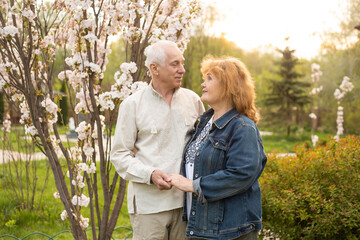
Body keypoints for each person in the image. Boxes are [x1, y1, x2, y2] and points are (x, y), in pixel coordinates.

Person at [110, 40, 205, 240]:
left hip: (187, 205)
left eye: (182, 63)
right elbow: (119, 155)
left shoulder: (194, 101)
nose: (182, 70)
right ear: (154, 68)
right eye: (175, 64)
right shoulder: (132, 104)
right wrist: (150, 174)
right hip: (149, 206)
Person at [169, 56, 267, 240]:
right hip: (200, 226)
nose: (202, 83)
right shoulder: (204, 122)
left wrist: (192, 185)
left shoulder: (242, 127)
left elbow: (242, 174)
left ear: (228, 86)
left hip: (230, 231)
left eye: (209, 78)